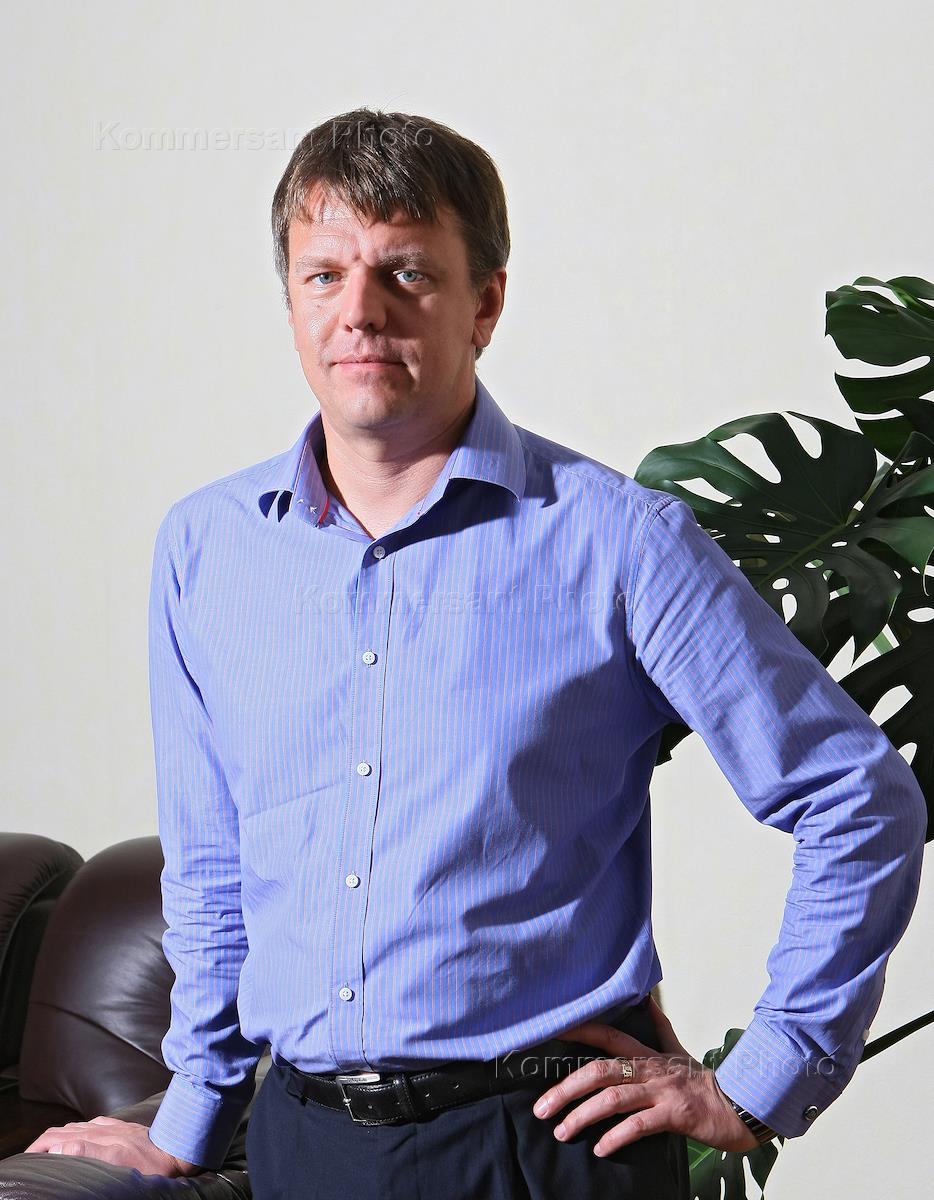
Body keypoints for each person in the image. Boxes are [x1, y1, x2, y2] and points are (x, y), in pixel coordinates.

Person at [24, 107, 926, 1199]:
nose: (360, 311)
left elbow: (855, 796)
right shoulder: (205, 550)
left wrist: (765, 1078)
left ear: (485, 302)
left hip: (543, 1149)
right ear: (291, 300)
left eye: (406, 273)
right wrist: (191, 1116)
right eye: (324, 275)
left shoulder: (617, 542)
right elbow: (213, 872)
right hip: (305, 1148)